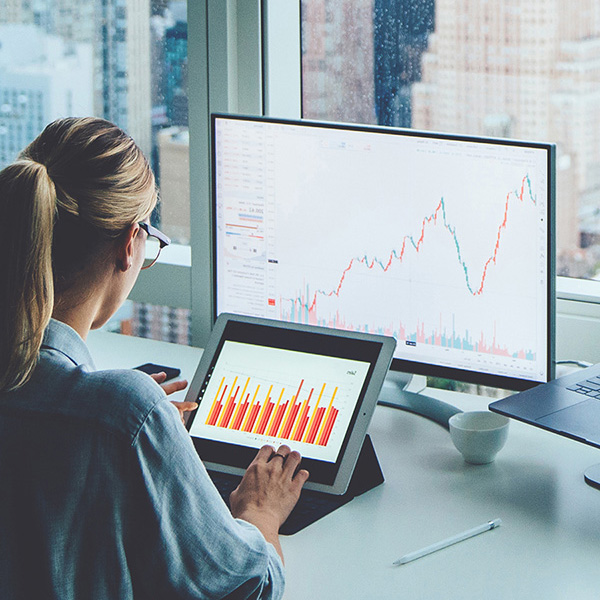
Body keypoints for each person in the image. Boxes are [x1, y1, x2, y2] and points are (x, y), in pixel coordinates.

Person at [0, 117, 309, 599]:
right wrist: (261, 512)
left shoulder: (116, 416)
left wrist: (129, 430)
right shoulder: (124, 412)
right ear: (129, 246)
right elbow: (250, 588)